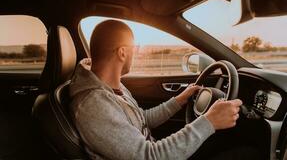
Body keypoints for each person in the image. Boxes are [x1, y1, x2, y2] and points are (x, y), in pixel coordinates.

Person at [69, 20, 242, 160]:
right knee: (247, 154)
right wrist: (209, 121)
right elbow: (150, 156)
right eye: (134, 49)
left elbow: (141, 119)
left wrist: (179, 100)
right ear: (122, 53)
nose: (135, 53)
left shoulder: (112, 87)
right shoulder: (93, 105)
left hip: (155, 149)